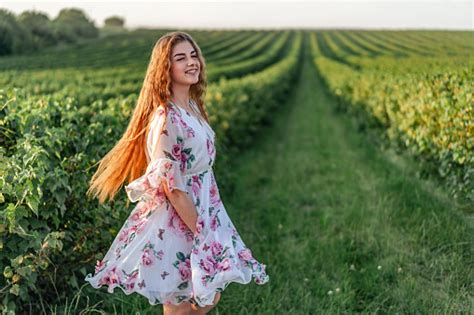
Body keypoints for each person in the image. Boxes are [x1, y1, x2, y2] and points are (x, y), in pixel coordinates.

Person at [84, 31, 269, 314]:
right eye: (181, 58)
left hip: (205, 204)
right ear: (165, 68)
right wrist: (201, 232)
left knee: (206, 295)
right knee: (184, 303)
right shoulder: (166, 115)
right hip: (180, 215)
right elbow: (172, 185)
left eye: (193, 55)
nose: (192, 62)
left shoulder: (192, 106)